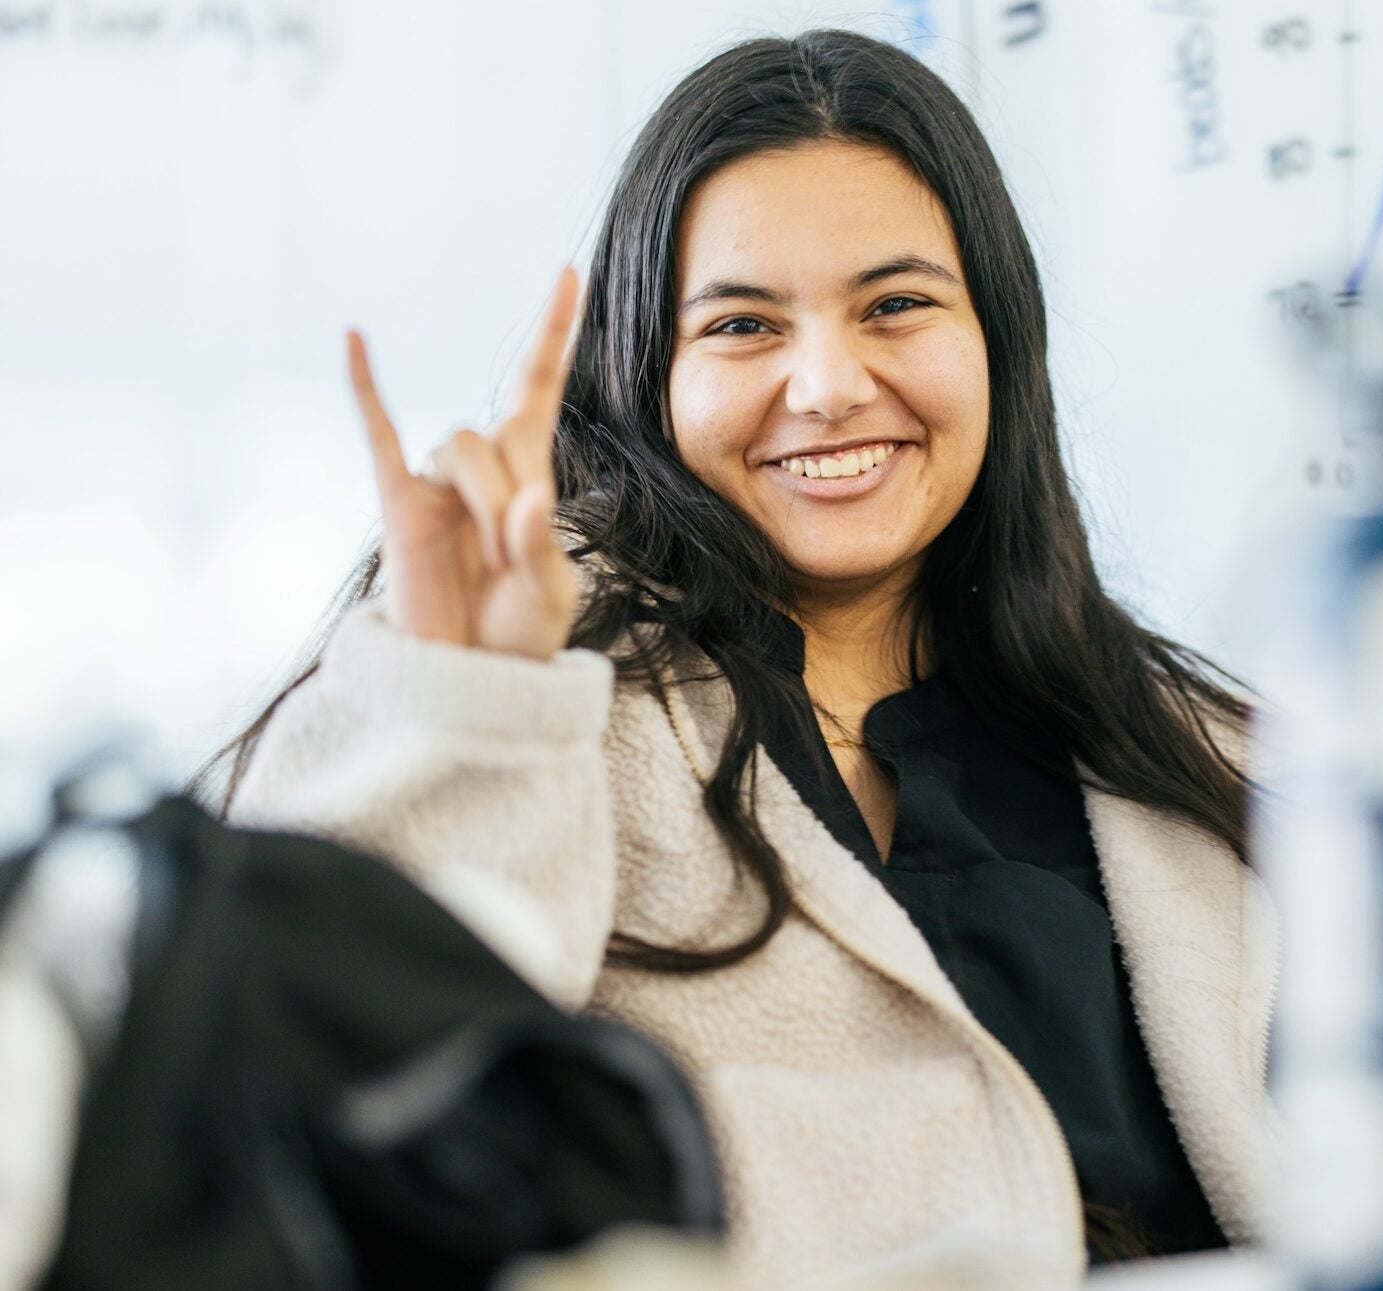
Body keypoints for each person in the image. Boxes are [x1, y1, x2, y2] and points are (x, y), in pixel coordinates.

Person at [211, 29, 1272, 1287]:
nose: (825, 385)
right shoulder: (529, 683)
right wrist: (462, 705)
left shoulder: (1206, 760)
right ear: (647, 371)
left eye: (896, 305)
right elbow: (298, 1081)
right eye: (741, 325)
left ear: (998, 335)